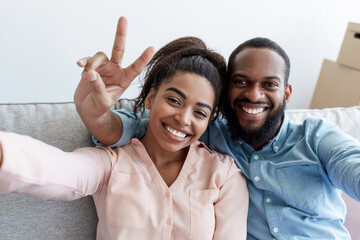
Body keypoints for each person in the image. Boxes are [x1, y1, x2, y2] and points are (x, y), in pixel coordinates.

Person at [76, 32, 360, 239]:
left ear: (286, 93)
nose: (253, 94)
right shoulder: (205, 131)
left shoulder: (318, 137)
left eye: (269, 84)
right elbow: (137, 127)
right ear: (226, 93)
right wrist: (95, 112)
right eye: (241, 82)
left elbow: (352, 166)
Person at [0, 17, 249, 240]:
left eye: (200, 112)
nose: (184, 119)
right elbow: (60, 171)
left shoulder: (224, 176)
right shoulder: (111, 163)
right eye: (174, 100)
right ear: (151, 98)